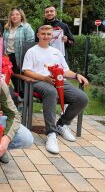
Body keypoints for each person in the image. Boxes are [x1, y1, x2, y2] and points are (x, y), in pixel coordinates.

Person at [22, 25, 89, 154]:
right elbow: (26, 71)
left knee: (82, 98)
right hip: (39, 81)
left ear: (52, 35)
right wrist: (44, 77)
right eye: (43, 34)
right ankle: (51, 133)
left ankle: (62, 124)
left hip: (59, 81)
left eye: (48, 34)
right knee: (51, 92)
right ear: (38, 35)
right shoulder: (32, 51)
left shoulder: (56, 51)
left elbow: (65, 71)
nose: (46, 36)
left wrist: (76, 75)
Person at [3, 8, 35, 88]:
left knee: (21, 76)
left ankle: (24, 94)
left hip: (21, 56)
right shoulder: (7, 28)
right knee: (12, 75)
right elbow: (3, 42)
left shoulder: (26, 27)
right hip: (9, 56)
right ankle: (18, 93)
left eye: (17, 14)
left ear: (21, 16)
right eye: (12, 15)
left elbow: (30, 42)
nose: (14, 16)